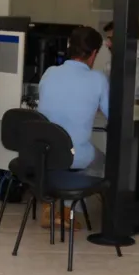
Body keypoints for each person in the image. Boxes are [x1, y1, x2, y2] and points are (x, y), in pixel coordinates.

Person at [37, 26, 111, 227]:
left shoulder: (49, 73)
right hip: (74, 155)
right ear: (94, 53)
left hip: (45, 153)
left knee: (63, 156)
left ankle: (48, 206)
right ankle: (68, 210)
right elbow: (113, 114)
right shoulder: (98, 79)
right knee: (101, 161)